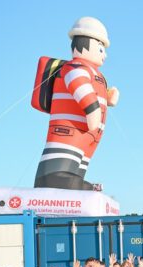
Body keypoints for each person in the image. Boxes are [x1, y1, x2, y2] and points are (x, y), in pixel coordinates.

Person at [34, 17, 120, 190]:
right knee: (56, 173)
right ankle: (77, 186)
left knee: (75, 172)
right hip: (68, 134)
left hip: (86, 138)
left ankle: (78, 187)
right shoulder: (75, 68)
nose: (105, 55)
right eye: (101, 49)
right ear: (86, 43)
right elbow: (79, 86)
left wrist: (108, 100)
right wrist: (93, 110)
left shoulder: (94, 73)